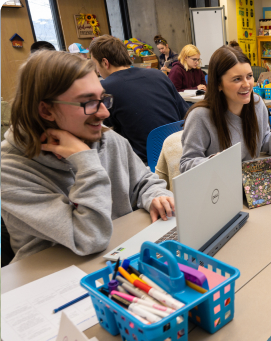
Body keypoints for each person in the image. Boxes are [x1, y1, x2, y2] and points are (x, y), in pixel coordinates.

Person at [0, 51, 174, 262]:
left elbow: (143, 181)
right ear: (46, 111)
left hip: (118, 255)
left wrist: (155, 195)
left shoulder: (105, 138)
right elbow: (90, 237)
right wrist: (86, 162)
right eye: (87, 102)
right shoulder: (10, 170)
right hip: (54, 277)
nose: (104, 113)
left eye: (102, 99)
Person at [180, 46, 271, 172]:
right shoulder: (200, 116)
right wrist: (213, 161)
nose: (247, 85)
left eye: (249, 76)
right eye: (237, 79)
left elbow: (263, 142)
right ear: (219, 84)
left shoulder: (257, 104)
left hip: (249, 185)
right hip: (218, 190)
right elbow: (187, 163)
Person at [90, 35, 189, 164]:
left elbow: (106, 135)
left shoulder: (104, 89)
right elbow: (185, 113)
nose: (97, 71)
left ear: (105, 62)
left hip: (144, 165)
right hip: (180, 153)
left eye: (95, 64)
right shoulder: (158, 75)